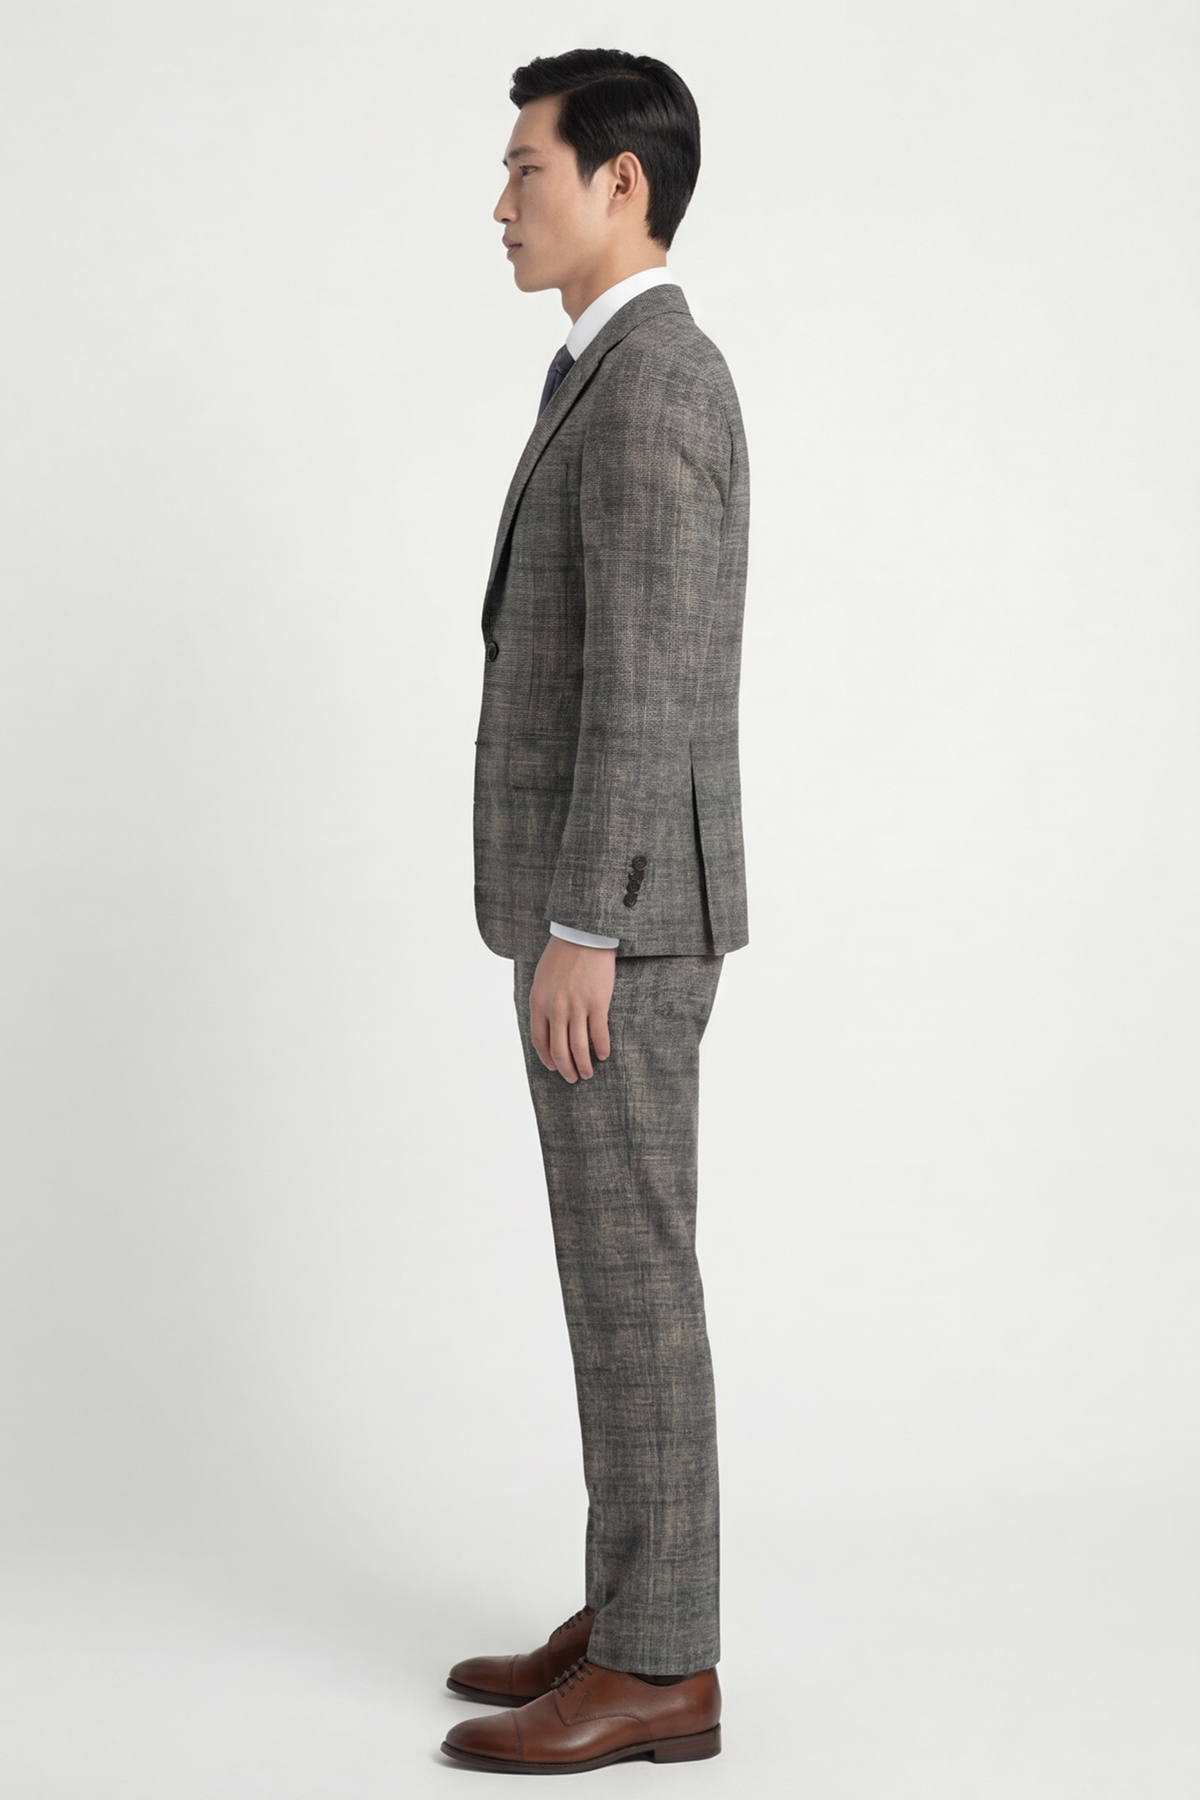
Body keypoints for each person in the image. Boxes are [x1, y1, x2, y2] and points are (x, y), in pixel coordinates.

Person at [440, 47, 750, 1776]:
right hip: (602, 910)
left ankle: (661, 1666)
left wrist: (590, 925)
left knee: (635, 1286)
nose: (501, 203)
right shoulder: (607, 372)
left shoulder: (656, 384)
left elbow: (650, 674)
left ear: (620, 182)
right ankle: (634, 1605)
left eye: (526, 168)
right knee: (614, 1278)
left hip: (617, 926)